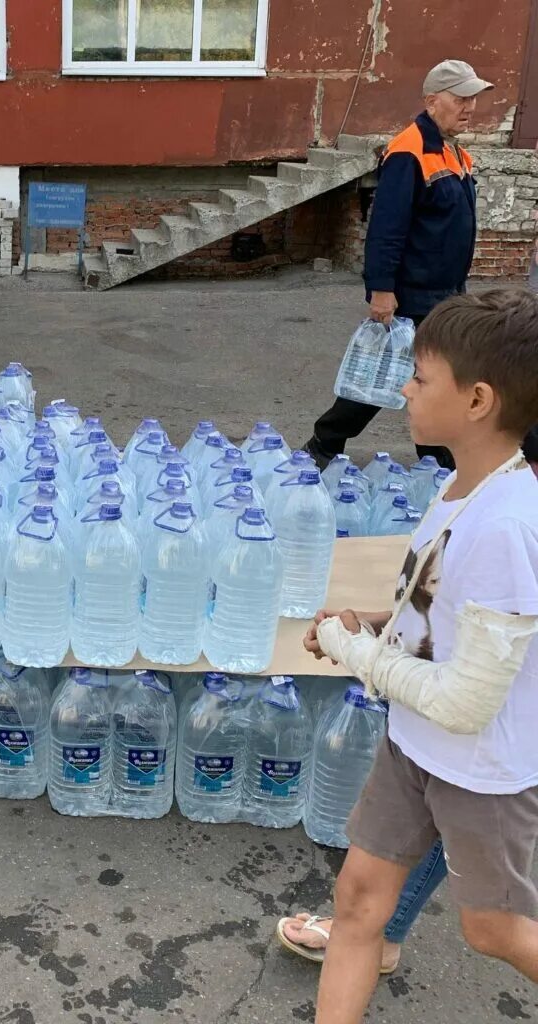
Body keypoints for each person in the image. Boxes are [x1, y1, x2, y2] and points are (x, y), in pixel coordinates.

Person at [292, 288, 538, 1024]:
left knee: (490, 929)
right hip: (412, 746)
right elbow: (437, 606)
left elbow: (467, 702)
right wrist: (373, 623)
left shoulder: (505, 525)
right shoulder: (461, 485)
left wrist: (352, 650)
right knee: (359, 902)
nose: (403, 387)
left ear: (478, 400)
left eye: (421, 377)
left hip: (480, 770)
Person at [304, 60, 494, 472]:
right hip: (414, 294)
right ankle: (324, 444)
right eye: (461, 99)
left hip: (445, 293)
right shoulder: (409, 151)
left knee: (430, 377)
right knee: (386, 378)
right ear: (432, 101)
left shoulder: (454, 152)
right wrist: (382, 290)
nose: (471, 108)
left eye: (473, 99)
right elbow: (387, 228)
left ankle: (435, 458)